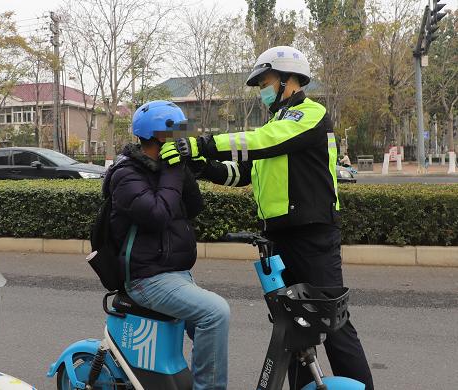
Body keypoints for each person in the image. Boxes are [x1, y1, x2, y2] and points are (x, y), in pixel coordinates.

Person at [162, 46, 374, 390]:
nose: (262, 89)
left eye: (266, 81)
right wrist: (203, 167)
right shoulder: (275, 125)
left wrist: (201, 144)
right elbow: (243, 172)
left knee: (332, 323)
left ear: (289, 80)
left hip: (313, 235)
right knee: (293, 326)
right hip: (279, 238)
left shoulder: (310, 114)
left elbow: (266, 141)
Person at [103, 100, 230, 390]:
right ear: (159, 137)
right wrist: (173, 172)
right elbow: (158, 215)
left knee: (210, 322)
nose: (182, 140)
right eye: (177, 135)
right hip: (146, 278)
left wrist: (184, 169)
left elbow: (194, 207)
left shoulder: (167, 168)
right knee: (215, 312)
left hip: (174, 273)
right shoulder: (126, 175)